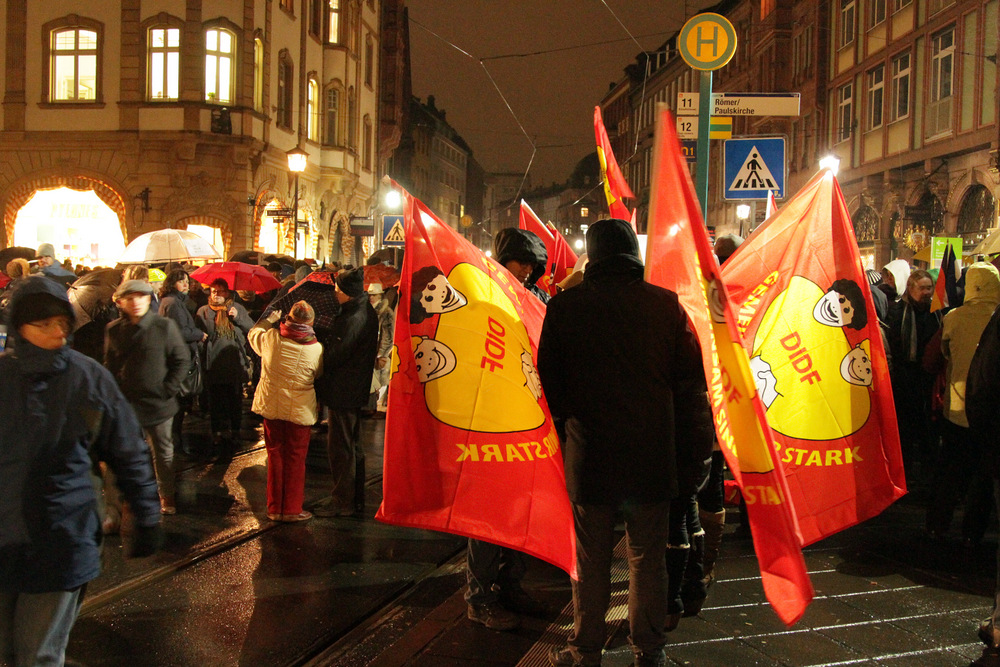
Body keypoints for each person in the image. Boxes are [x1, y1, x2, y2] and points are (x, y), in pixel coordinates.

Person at [537, 219, 713, 667]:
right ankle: (648, 651)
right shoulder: (666, 307)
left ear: (592, 256)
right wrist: (694, 459)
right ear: (633, 254)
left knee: (590, 562)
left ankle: (585, 650)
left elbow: (550, 389)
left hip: (590, 456)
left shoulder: (564, 308)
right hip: (650, 458)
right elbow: (692, 389)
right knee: (646, 561)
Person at [0, 276, 162, 667]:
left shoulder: (87, 377)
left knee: (38, 655)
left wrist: (145, 514)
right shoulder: (3, 377)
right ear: (19, 325)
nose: (57, 331)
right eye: (44, 324)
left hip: (61, 541)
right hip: (4, 541)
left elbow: (128, 449)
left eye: (62, 322)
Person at [926, 262, 1000, 541]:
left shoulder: (955, 317)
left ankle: (938, 524)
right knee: (983, 476)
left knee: (951, 471)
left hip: (957, 411)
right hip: (991, 413)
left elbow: (935, 357)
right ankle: (973, 532)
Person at [105, 280, 189, 515]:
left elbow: (181, 360)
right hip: (127, 403)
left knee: (163, 452)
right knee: (121, 452)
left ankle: (166, 494)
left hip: (158, 404)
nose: (136, 302)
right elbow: (110, 363)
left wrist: (167, 389)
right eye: (130, 298)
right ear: (120, 302)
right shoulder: (114, 329)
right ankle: (116, 506)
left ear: (148, 299)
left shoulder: (164, 326)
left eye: (141, 297)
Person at [248, 301, 323, 522]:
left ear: (289, 318)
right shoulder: (316, 348)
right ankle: (291, 509)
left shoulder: (271, 339)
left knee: (275, 455)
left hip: (272, 406)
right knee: (296, 459)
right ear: (310, 323)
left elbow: (253, 334)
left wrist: (269, 320)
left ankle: (274, 508)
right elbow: (317, 374)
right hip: (299, 411)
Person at [313, 267, 379, 517]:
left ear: (349, 294)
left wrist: (322, 349)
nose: (335, 293)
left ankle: (343, 501)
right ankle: (354, 498)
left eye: (338, 290)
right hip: (352, 387)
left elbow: (337, 355)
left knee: (342, 447)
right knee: (351, 444)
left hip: (344, 388)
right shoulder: (360, 310)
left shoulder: (354, 316)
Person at [886, 269, 941, 487]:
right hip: (904, 383)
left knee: (928, 434)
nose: (927, 292)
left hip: (928, 383)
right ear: (911, 288)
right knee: (905, 436)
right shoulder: (897, 312)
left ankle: (927, 482)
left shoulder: (936, 313)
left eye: (930, 288)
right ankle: (903, 479)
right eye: (923, 288)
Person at [196, 279, 254, 458]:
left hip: (233, 363)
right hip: (213, 364)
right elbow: (200, 335)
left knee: (234, 400)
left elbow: (251, 328)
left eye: (220, 291)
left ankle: (235, 430)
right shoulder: (203, 311)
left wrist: (237, 317)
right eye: (213, 291)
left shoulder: (236, 308)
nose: (216, 295)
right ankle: (217, 432)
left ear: (227, 293)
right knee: (216, 401)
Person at [159, 269, 208, 457]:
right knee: (179, 402)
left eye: (187, 281)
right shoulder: (173, 304)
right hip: (178, 357)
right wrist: (199, 334)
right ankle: (174, 444)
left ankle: (174, 441)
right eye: (182, 281)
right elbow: (180, 331)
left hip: (177, 356)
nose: (186, 284)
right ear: (172, 284)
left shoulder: (174, 302)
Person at [494, 227, 550, 303]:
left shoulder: (542, 300)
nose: (528, 270)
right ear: (505, 260)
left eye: (533, 265)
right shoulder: (487, 292)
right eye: (523, 263)